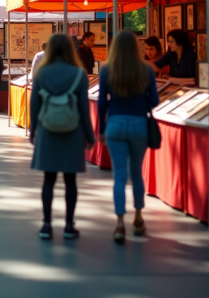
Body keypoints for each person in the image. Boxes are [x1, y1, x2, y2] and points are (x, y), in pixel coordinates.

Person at [29, 33, 95, 240]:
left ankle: (46, 225)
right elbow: (84, 108)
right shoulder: (79, 74)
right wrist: (89, 134)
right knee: (70, 181)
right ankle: (68, 225)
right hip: (72, 130)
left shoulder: (42, 74)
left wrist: (33, 131)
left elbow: (34, 105)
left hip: (47, 130)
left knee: (48, 180)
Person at [98, 30, 159, 244]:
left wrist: (101, 129)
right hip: (139, 125)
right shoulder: (146, 69)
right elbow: (155, 101)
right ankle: (139, 218)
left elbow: (102, 103)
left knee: (119, 176)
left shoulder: (107, 69)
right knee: (136, 173)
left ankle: (119, 224)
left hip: (115, 124)